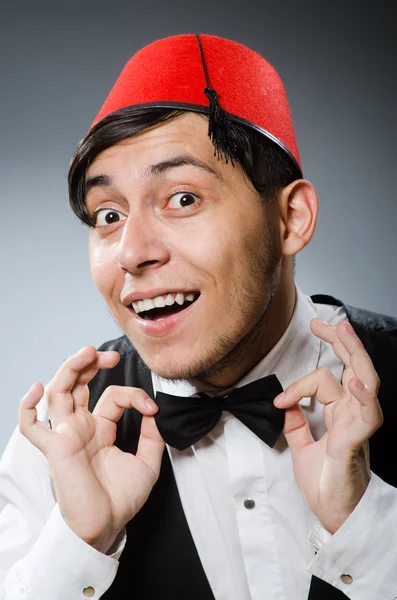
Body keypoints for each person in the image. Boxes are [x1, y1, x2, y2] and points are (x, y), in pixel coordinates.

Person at [0, 33, 396, 600]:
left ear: (290, 219)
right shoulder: (57, 441)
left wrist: (367, 529)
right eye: (107, 214)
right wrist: (79, 539)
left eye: (182, 199)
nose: (133, 251)